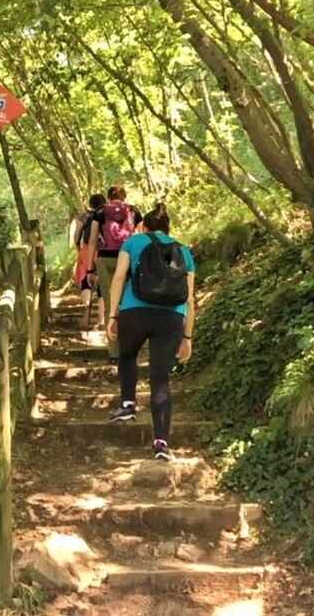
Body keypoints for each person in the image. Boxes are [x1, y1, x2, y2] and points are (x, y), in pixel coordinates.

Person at [105, 204, 195, 462]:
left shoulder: (133, 243)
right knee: (160, 378)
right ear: (169, 229)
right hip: (171, 317)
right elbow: (190, 299)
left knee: (128, 355)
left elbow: (119, 277)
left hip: (135, 311)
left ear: (143, 226)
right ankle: (161, 443)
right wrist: (187, 337)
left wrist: (113, 315)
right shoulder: (183, 251)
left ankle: (128, 405)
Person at [87, 185, 142, 363]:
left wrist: (89, 268)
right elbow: (142, 237)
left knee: (111, 304)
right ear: (124, 197)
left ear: (108, 197)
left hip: (105, 260)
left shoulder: (100, 213)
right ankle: (130, 349)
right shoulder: (133, 211)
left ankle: (114, 353)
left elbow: (92, 241)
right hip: (128, 257)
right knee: (130, 302)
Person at [73, 194, 106, 328]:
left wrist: (78, 246)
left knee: (86, 281)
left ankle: (87, 307)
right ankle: (101, 320)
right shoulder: (107, 215)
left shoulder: (86, 216)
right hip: (104, 251)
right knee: (101, 287)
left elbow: (76, 235)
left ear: (91, 203)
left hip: (87, 250)